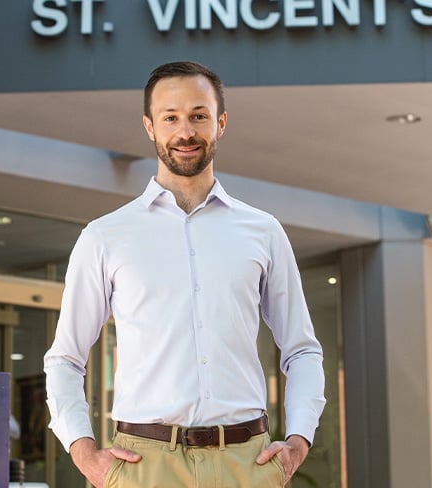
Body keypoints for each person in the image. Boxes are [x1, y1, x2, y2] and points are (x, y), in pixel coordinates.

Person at [44, 61, 325, 488]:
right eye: (170, 117)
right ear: (149, 127)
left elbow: (302, 350)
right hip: (144, 466)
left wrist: (299, 439)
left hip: (246, 464)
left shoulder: (263, 232)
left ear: (221, 122)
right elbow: (65, 358)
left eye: (199, 115)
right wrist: (84, 452)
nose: (186, 131)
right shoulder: (105, 236)